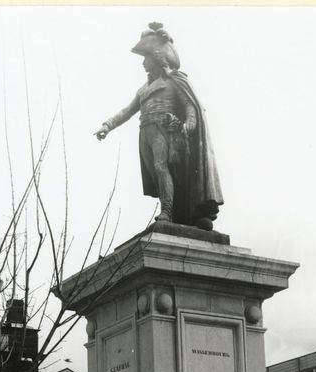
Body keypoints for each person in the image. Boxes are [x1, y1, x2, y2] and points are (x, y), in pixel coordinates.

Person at [95, 22, 223, 230]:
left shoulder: (173, 81)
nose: (143, 63)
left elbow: (190, 105)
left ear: (157, 58)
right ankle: (174, 210)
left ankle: (167, 212)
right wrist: (107, 125)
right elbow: (127, 110)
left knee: (161, 168)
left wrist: (189, 123)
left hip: (165, 130)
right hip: (145, 131)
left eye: (146, 58)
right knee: (157, 174)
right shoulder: (143, 89)